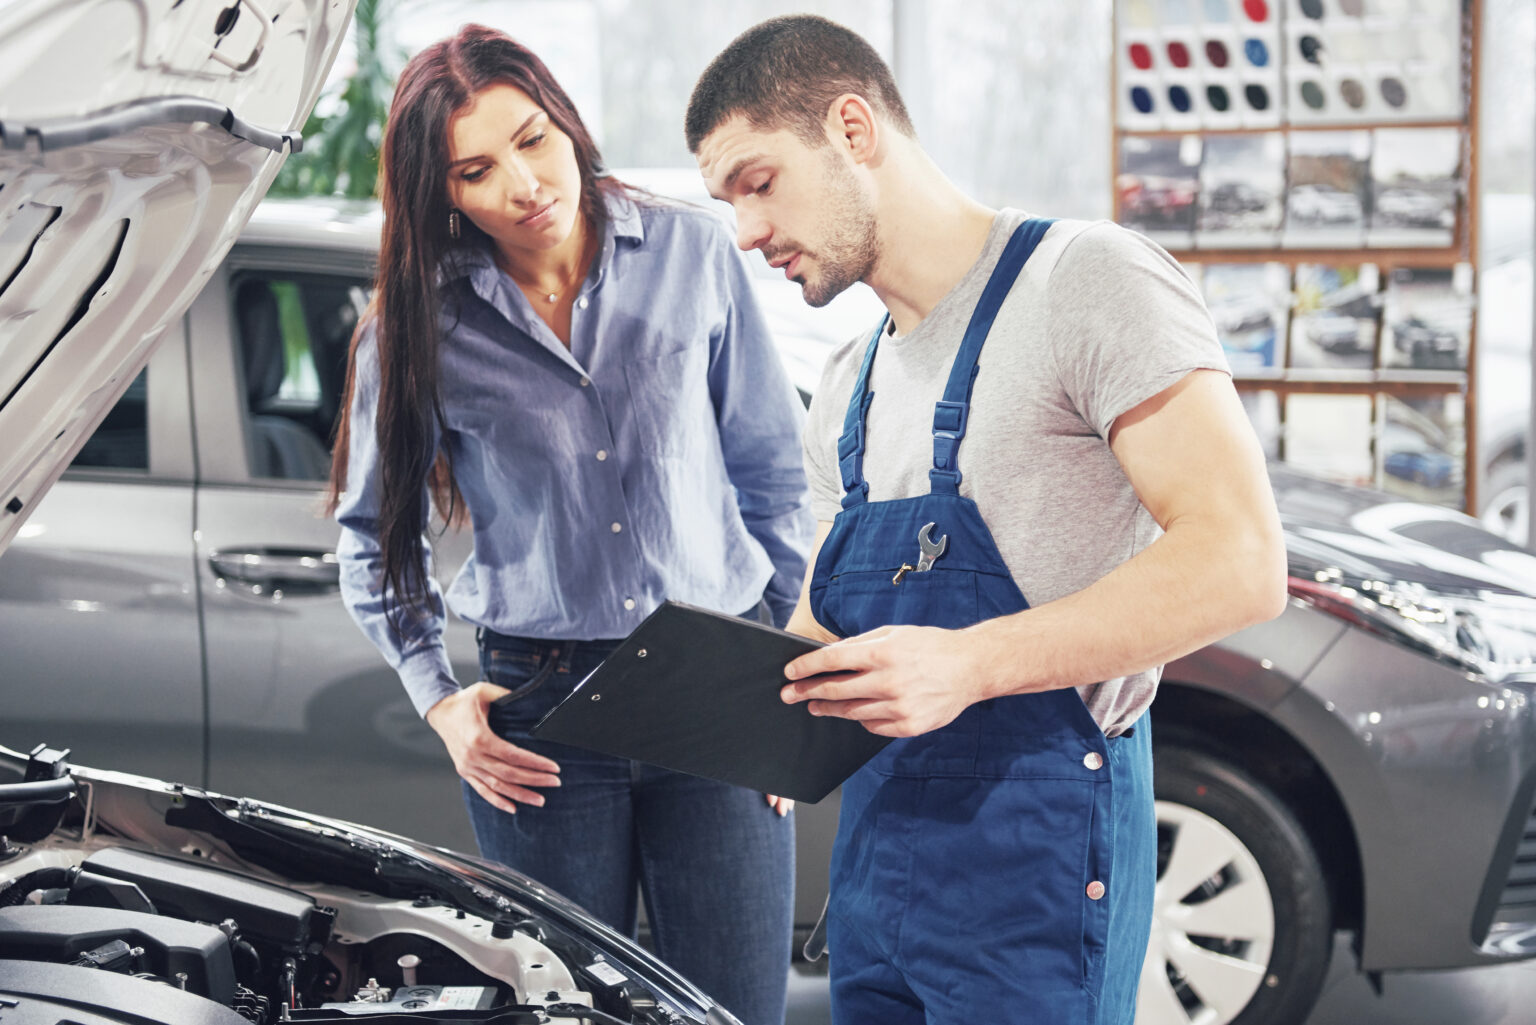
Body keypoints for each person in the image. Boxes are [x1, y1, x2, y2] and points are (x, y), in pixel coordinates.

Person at [686, 15, 1288, 1025]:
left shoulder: (1086, 282)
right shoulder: (848, 383)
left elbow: (1241, 558)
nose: (746, 233)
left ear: (851, 127)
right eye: (727, 204)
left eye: (758, 182)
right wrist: (731, 709)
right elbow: (825, 627)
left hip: (1040, 855)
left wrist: (967, 664)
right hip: (879, 863)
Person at [328, 25, 808, 1025]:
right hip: (541, 716)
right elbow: (376, 539)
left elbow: (773, 473)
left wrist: (782, 682)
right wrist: (441, 701)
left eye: (533, 139)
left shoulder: (692, 250)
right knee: (564, 1012)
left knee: (734, 1008)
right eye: (476, 169)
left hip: (714, 685)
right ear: (443, 193)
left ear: (566, 124)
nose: (524, 183)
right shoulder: (417, 320)